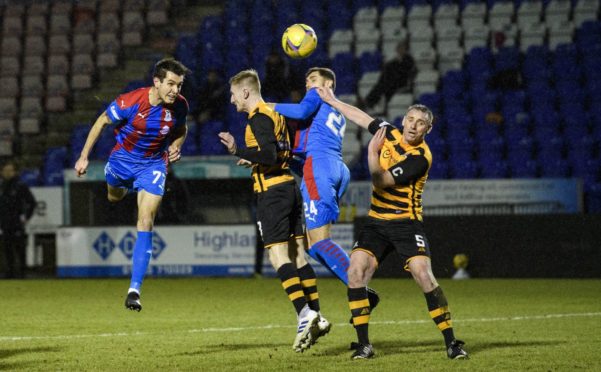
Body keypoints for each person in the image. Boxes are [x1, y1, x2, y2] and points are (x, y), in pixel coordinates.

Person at [317, 86, 468, 360]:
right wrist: (332, 100)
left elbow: (381, 181)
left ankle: (452, 342)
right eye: (411, 119)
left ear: (427, 130)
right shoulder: (390, 133)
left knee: (424, 275)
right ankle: (364, 345)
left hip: (406, 224)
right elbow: (361, 117)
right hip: (376, 223)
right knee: (355, 272)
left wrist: (372, 154)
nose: (414, 126)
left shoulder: (420, 158)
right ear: (403, 120)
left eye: (421, 123)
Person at [218, 69, 329, 353]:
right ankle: (317, 313)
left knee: (277, 255)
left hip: (272, 193)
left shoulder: (258, 118)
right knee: (297, 254)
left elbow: (267, 154)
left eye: (233, 94)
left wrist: (238, 151)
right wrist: (253, 161)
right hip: (288, 187)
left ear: (245, 92)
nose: (232, 100)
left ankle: (304, 313)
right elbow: (280, 154)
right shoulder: (276, 114)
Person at [74, 58, 189, 311]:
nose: (175, 90)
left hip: (153, 165)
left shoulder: (179, 106)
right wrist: (84, 156)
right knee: (114, 197)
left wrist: (175, 146)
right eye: (170, 84)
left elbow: (181, 129)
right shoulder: (131, 102)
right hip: (122, 162)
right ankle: (116, 183)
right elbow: (102, 120)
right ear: (156, 82)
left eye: (179, 85)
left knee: (146, 219)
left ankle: (134, 290)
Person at [269, 67, 381, 312]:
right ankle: (359, 287)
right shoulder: (336, 109)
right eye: (307, 79)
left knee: (320, 243)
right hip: (335, 167)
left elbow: (300, 110)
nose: (309, 83)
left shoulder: (318, 94)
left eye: (313, 79)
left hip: (319, 167)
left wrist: (266, 105)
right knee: (313, 244)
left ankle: (359, 289)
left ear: (328, 83)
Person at [0, 160, 36, 279]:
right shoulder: (1, 187)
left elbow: (32, 203)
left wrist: (26, 217)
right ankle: (9, 272)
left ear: (15, 172)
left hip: (17, 223)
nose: (7, 173)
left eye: (10, 171)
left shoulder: (20, 186)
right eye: (5, 171)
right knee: (7, 249)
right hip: (4, 223)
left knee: (20, 248)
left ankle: (22, 272)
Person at [363, 41, 416, 110]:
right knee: (381, 84)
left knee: (383, 86)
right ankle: (369, 103)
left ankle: (370, 103)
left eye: (402, 48)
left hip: (401, 82)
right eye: (399, 48)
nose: (400, 50)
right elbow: (388, 69)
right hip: (392, 80)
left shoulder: (409, 59)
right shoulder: (395, 61)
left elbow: (405, 72)